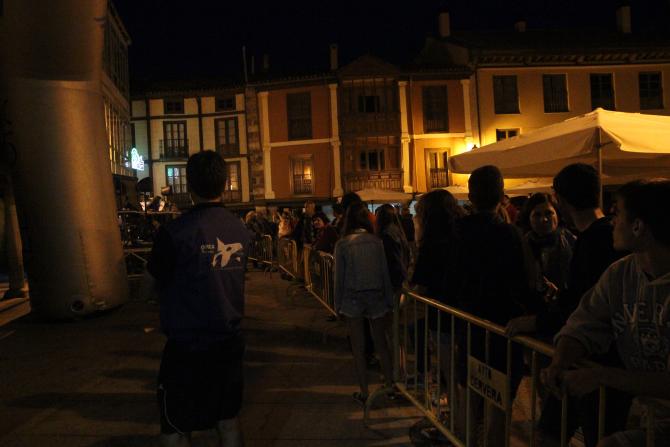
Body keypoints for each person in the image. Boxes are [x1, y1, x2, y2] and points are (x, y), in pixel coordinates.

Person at [543, 179, 670, 447]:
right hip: (651, 420)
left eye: (617, 214)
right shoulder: (620, 274)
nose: (611, 222)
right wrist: (561, 361)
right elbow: (585, 322)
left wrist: (601, 376)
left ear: (638, 226)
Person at [147, 151, 250, 447]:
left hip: (186, 345)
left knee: (175, 426)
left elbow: (147, 287)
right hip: (228, 342)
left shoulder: (174, 232)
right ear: (225, 184)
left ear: (189, 186)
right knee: (228, 420)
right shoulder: (240, 230)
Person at [454, 165, 535, 446]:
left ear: (470, 196)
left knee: (470, 399)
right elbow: (524, 283)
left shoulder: (457, 232)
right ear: (502, 196)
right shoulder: (509, 234)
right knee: (499, 406)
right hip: (503, 329)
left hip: (467, 326)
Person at [334, 201, 394, 406]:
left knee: (358, 348)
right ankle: (390, 385)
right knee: (381, 344)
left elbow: (338, 278)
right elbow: (384, 273)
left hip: (352, 298)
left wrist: (337, 306)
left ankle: (364, 391)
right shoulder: (376, 242)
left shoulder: (343, 244)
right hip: (376, 295)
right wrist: (389, 300)